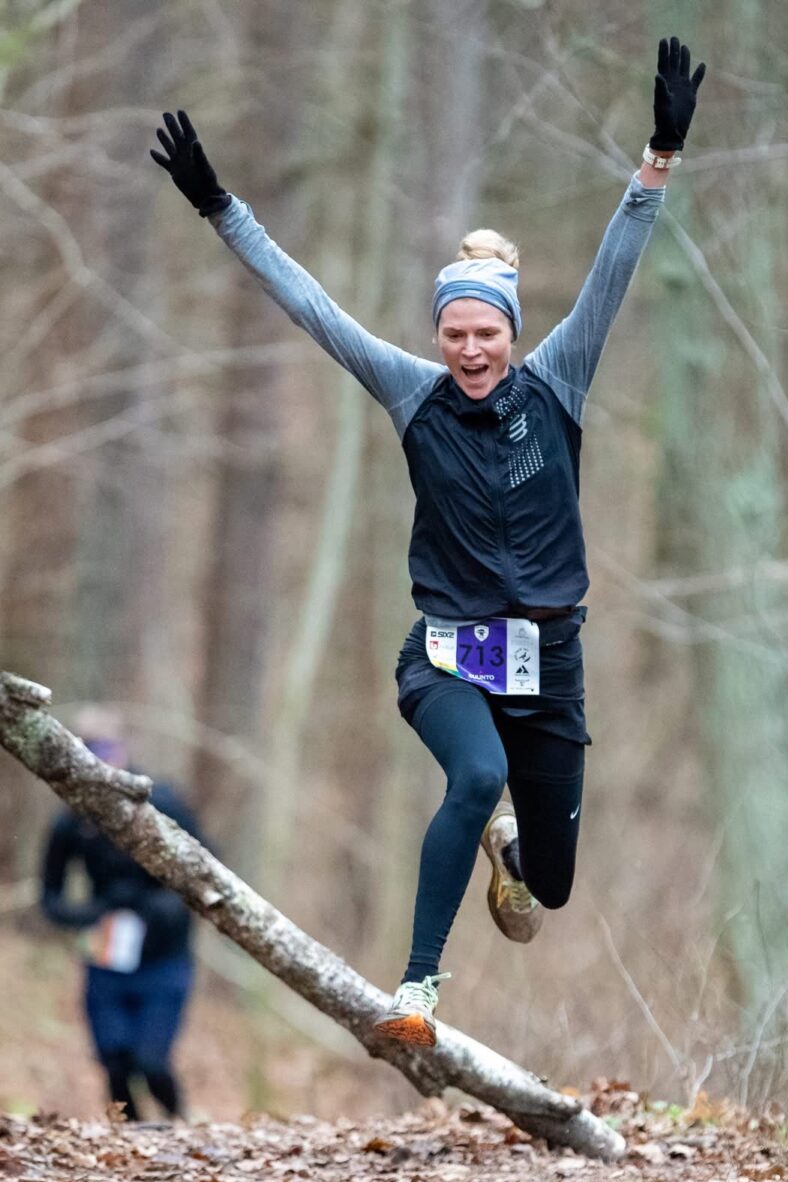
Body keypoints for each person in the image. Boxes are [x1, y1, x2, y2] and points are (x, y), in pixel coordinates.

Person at [151, 37, 705, 1048]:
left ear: (509, 330)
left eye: (484, 332)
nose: (469, 348)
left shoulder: (558, 384)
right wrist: (220, 207)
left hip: (552, 660)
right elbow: (312, 307)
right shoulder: (412, 394)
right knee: (475, 774)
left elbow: (614, 270)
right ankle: (415, 991)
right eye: (453, 333)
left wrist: (658, 155)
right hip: (447, 650)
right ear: (439, 336)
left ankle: (510, 850)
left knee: (552, 888)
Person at [39, 707, 202, 1119]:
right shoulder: (73, 821)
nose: (102, 757)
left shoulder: (162, 802)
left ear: (125, 748)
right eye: (90, 749)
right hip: (106, 957)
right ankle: (130, 1153)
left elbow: (209, 871)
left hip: (164, 958)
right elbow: (51, 899)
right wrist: (93, 911)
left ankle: (184, 1128)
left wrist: (169, 904)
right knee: (115, 1062)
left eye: (108, 747)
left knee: (151, 1063)